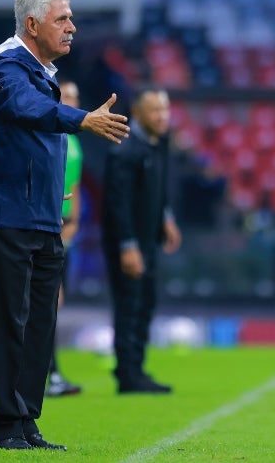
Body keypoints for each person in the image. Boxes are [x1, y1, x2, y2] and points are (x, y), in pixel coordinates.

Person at [0, 0, 130, 451]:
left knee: (39, 324)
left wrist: (49, 190)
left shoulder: (39, 71)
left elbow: (24, 142)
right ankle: (4, 427)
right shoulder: (2, 67)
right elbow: (25, 108)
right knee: (8, 323)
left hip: (40, 215)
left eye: (71, 18)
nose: (72, 27)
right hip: (4, 217)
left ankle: (27, 421)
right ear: (32, 25)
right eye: (62, 19)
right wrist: (81, 118)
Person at [102, 87, 182, 394]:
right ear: (137, 113)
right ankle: (127, 374)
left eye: (165, 109)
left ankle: (136, 368)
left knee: (145, 302)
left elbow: (156, 189)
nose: (162, 116)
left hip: (148, 239)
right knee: (129, 304)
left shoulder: (156, 145)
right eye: (155, 110)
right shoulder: (125, 150)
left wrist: (166, 217)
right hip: (129, 243)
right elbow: (117, 202)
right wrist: (127, 245)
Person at [46, 80, 84, 397]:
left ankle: (52, 373)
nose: (72, 101)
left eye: (75, 97)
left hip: (64, 229)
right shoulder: (49, 134)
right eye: (66, 96)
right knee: (46, 301)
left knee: (53, 303)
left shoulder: (73, 141)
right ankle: (50, 374)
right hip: (46, 225)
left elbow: (75, 186)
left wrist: (75, 223)